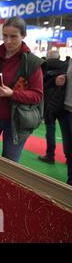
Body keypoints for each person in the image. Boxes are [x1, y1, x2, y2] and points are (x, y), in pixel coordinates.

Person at [0, 16, 44, 163]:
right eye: (5, 36)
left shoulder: (32, 63)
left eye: (13, 36)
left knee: (9, 165)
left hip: (17, 122)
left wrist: (12, 93)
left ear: (23, 36)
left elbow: (37, 95)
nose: (8, 41)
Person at [39, 50, 65, 165]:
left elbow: (41, 85)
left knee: (50, 129)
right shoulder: (65, 67)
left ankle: (50, 156)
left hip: (49, 104)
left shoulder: (43, 67)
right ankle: (69, 158)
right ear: (59, 57)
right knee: (67, 133)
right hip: (63, 103)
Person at [55, 57, 72, 185]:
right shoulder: (69, 61)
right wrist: (58, 81)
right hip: (64, 110)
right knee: (68, 150)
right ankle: (70, 181)